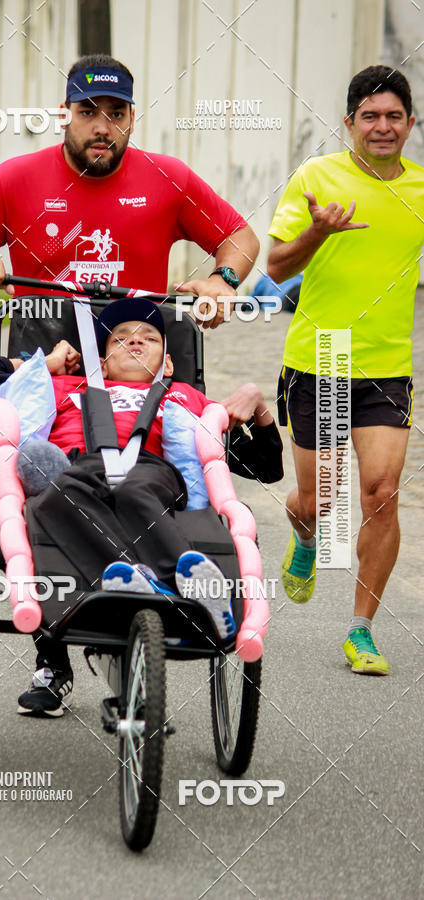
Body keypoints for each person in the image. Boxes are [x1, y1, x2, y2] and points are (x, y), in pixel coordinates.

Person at [0, 297, 283, 716]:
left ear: (167, 364)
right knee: (50, 497)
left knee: (131, 491)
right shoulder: (64, 386)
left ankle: (198, 586)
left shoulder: (184, 397)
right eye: (121, 338)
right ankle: (136, 579)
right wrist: (53, 360)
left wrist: (256, 404)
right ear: (102, 363)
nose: (135, 342)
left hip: (151, 472)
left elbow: (266, 467)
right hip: (77, 468)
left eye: (149, 338)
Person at [267, 65, 424, 676]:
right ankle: (304, 534)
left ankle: (360, 631)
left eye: (394, 116)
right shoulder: (318, 177)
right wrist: (318, 231)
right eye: (370, 116)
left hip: (388, 368)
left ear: (410, 123)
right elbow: (278, 267)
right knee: (318, 500)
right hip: (320, 359)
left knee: (383, 495)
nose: (382, 127)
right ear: (350, 122)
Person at [0, 53, 259, 326]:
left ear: (132, 117)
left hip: (135, 365)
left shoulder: (169, 177)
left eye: (116, 114)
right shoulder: (15, 178)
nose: (102, 128)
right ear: (63, 115)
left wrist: (222, 280)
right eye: (87, 112)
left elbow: (240, 237)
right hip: (41, 362)